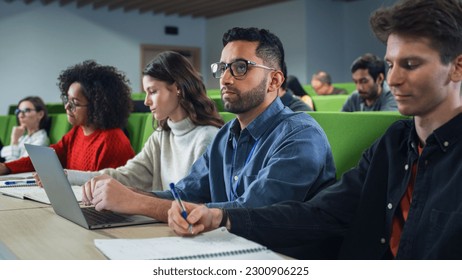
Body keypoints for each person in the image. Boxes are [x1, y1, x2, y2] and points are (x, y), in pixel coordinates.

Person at [168, 0, 462, 260]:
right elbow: (322, 212)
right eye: (390, 64)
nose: (393, 79)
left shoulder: (298, 132)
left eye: (409, 64)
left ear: (457, 67)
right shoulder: (394, 144)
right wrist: (223, 218)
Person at [82, 27, 336, 223]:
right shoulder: (227, 135)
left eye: (239, 67)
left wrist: (138, 204)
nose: (224, 79)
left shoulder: (301, 136)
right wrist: (122, 195)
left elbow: (253, 212)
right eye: (223, 68)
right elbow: (184, 194)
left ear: (274, 81)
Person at [66, 51, 223, 192]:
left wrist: (138, 201)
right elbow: (126, 175)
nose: (147, 101)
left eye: (153, 92)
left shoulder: (207, 138)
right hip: (160, 219)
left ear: (178, 88)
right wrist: (69, 177)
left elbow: (191, 199)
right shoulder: (161, 135)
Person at [0, 60, 135, 175]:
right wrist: (7, 167)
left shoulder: (112, 141)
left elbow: (104, 191)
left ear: (97, 106)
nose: (66, 107)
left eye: (74, 103)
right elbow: (46, 158)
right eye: (67, 100)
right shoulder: (77, 131)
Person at [0, 96, 49, 162]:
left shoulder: (41, 140)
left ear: (40, 114)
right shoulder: (23, 137)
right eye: (19, 111)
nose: (20, 115)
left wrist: (14, 140)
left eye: (26, 110)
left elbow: (14, 166)